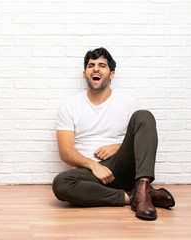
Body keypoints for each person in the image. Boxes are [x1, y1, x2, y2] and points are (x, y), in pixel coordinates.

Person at [52, 47, 175, 220]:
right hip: (91, 174)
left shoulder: (128, 102)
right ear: (84, 74)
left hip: (123, 167)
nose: (95, 68)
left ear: (111, 74)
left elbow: (141, 137)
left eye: (102, 65)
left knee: (144, 116)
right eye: (91, 65)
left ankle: (143, 185)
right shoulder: (70, 106)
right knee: (61, 184)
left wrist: (118, 147)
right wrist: (95, 166)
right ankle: (138, 196)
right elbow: (66, 152)